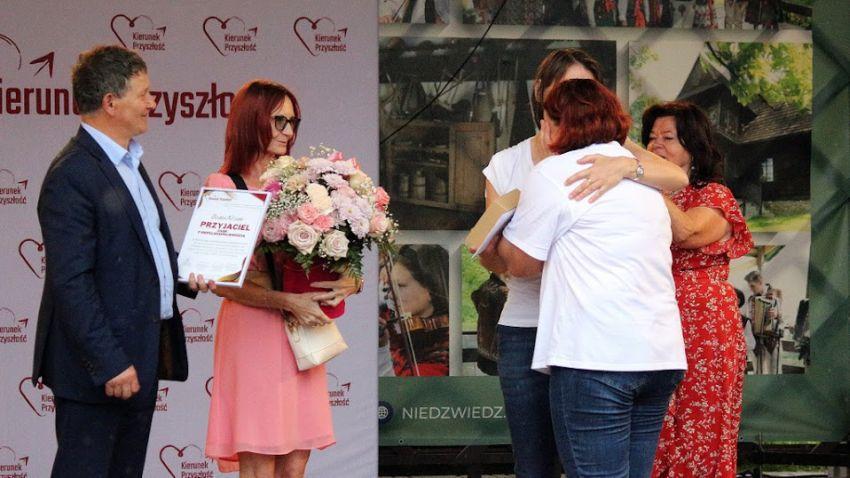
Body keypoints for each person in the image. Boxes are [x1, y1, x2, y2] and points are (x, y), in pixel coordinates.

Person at [475, 49, 688, 478]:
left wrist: (627, 165)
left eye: (584, 89)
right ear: (542, 95)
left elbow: (678, 177)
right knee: (537, 463)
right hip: (547, 327)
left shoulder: (609, 162)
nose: (573, 97)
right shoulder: (509, 163)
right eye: (564, 90)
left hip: (588, 344)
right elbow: (508, 261)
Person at [33, 44, 198, 477]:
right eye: (144, 94)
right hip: (100, 372)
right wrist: (109, 361)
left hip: (138, 358)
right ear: (110, 102)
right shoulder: (72, 174)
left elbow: (143, 249)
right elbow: (72, 282)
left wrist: (188, 274)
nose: (153, 103)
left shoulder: (128, 161)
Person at [198, 80, 359, 478]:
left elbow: (335, 258)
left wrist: (351, 281)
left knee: (294, 466)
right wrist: (287, 301)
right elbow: (220, 281)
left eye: (293, 121)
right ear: (251, 120)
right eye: (279, 120)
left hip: (301, 331)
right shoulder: (225, 185)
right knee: (260, 461)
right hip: (254, 330)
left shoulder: (305, 184)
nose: (288, 131)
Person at [639, 101, 753, 477]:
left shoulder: (714, 195)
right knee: (654, 426)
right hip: (651, 317)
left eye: (668, 138)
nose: (656, 145)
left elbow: (688, 233)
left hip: (704, 326)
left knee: (699, 424)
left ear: (693, 146)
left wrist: (650, 184)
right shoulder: (636, 195)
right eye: (651, 138)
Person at [380, 245, 450, 376]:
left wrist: (382, 349)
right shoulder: (400, 319)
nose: (390, 295)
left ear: (430, 290)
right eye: (391, 286)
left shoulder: (436, 358)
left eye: (400, 286)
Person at [743, 270, 783, 375]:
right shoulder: (751, 300)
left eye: (753, 286)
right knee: (758, 371)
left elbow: (783, 319)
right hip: (757, 341)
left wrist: (776, 315)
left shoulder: (775, 297)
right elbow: (747, 320)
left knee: (774, 371)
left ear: (760, 282)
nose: (751, 289)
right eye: (750, 287)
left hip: (772, 340)